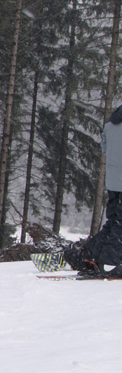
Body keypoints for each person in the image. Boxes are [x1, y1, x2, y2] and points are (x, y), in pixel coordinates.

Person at [64, 105, 122, 277]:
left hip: (114, 182)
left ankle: (89, 256)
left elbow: (104, 148)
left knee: (114, 221)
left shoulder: (111, 124)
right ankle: (109, 262)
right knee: (119, 224)